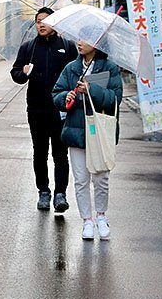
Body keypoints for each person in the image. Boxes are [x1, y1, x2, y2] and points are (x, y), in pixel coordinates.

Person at [52, 39, 123, 240]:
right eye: (79, 39)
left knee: (101, 178)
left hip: (99, 130)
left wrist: (91, 90)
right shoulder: (71, 68)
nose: (79, 43)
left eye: (85, 40)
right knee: (81, 179)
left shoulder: (110, 68)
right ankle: (87, 220)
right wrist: (65, 96)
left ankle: (101, 216)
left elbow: (115, 99)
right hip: (76, 129)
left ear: (97, 43)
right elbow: (56, 93)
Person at [10, 7, 77, 212]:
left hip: (61, 109)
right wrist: (23, 72)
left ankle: (60, 194)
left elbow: (77, 72)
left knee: (60, 153)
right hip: (36, 108)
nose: (41, 24)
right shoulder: (28, 48)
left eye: (46, 21)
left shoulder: (68, 46)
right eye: (38, 21)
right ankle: (44, 192)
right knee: (39, 152)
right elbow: (16, 74)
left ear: (55, 23)